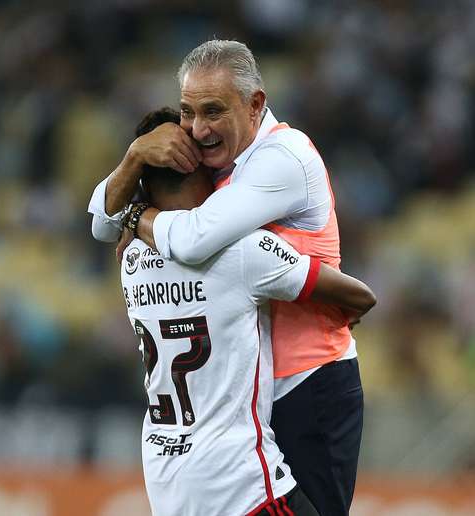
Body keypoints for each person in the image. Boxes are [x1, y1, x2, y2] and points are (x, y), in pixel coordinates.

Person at [89, 40, 364, 515]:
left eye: (214, 111)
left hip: (307, 382)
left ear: (255, 103)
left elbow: (194, 239)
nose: (198, 129)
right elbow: (98, 220)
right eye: (188, 112)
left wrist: (135, 215)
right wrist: (134, 158)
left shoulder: (283, 158)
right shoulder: (212, 161)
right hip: (244, 393)